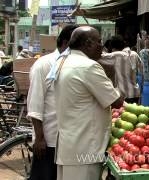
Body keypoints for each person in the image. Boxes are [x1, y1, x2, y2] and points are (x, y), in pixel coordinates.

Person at [53, 26, 124, 180]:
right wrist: (113, 79)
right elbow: (117, 101)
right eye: (99, 42)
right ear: (88, 44)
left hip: (69, 145)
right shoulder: (88, 66)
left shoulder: (62, 62)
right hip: (85, 149)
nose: (102, 47)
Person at [27, 24, 79, 180]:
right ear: (65, 43)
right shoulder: (44, 64)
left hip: (68, 140)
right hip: (48, 139)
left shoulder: (75, 65)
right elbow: (35, 102)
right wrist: (40, 137)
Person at [98, 35, 144, 104]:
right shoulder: (134, 54)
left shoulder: (116, 55)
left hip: (123, 95)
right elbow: (142, 70)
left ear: (113, 48)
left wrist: (101, 46)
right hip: (135, 93)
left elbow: (100, 57)